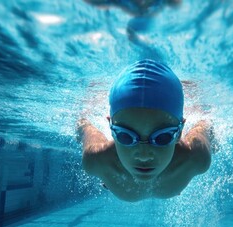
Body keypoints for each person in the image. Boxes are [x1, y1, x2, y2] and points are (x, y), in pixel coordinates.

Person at [76, 59, 213, 202]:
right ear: (111, 129)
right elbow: (82, 125)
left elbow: (206, 125)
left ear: (179, 133)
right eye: (125, 136)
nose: (144, 156)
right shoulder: (96, 160)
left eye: (162, 137)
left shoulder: (197, 157)